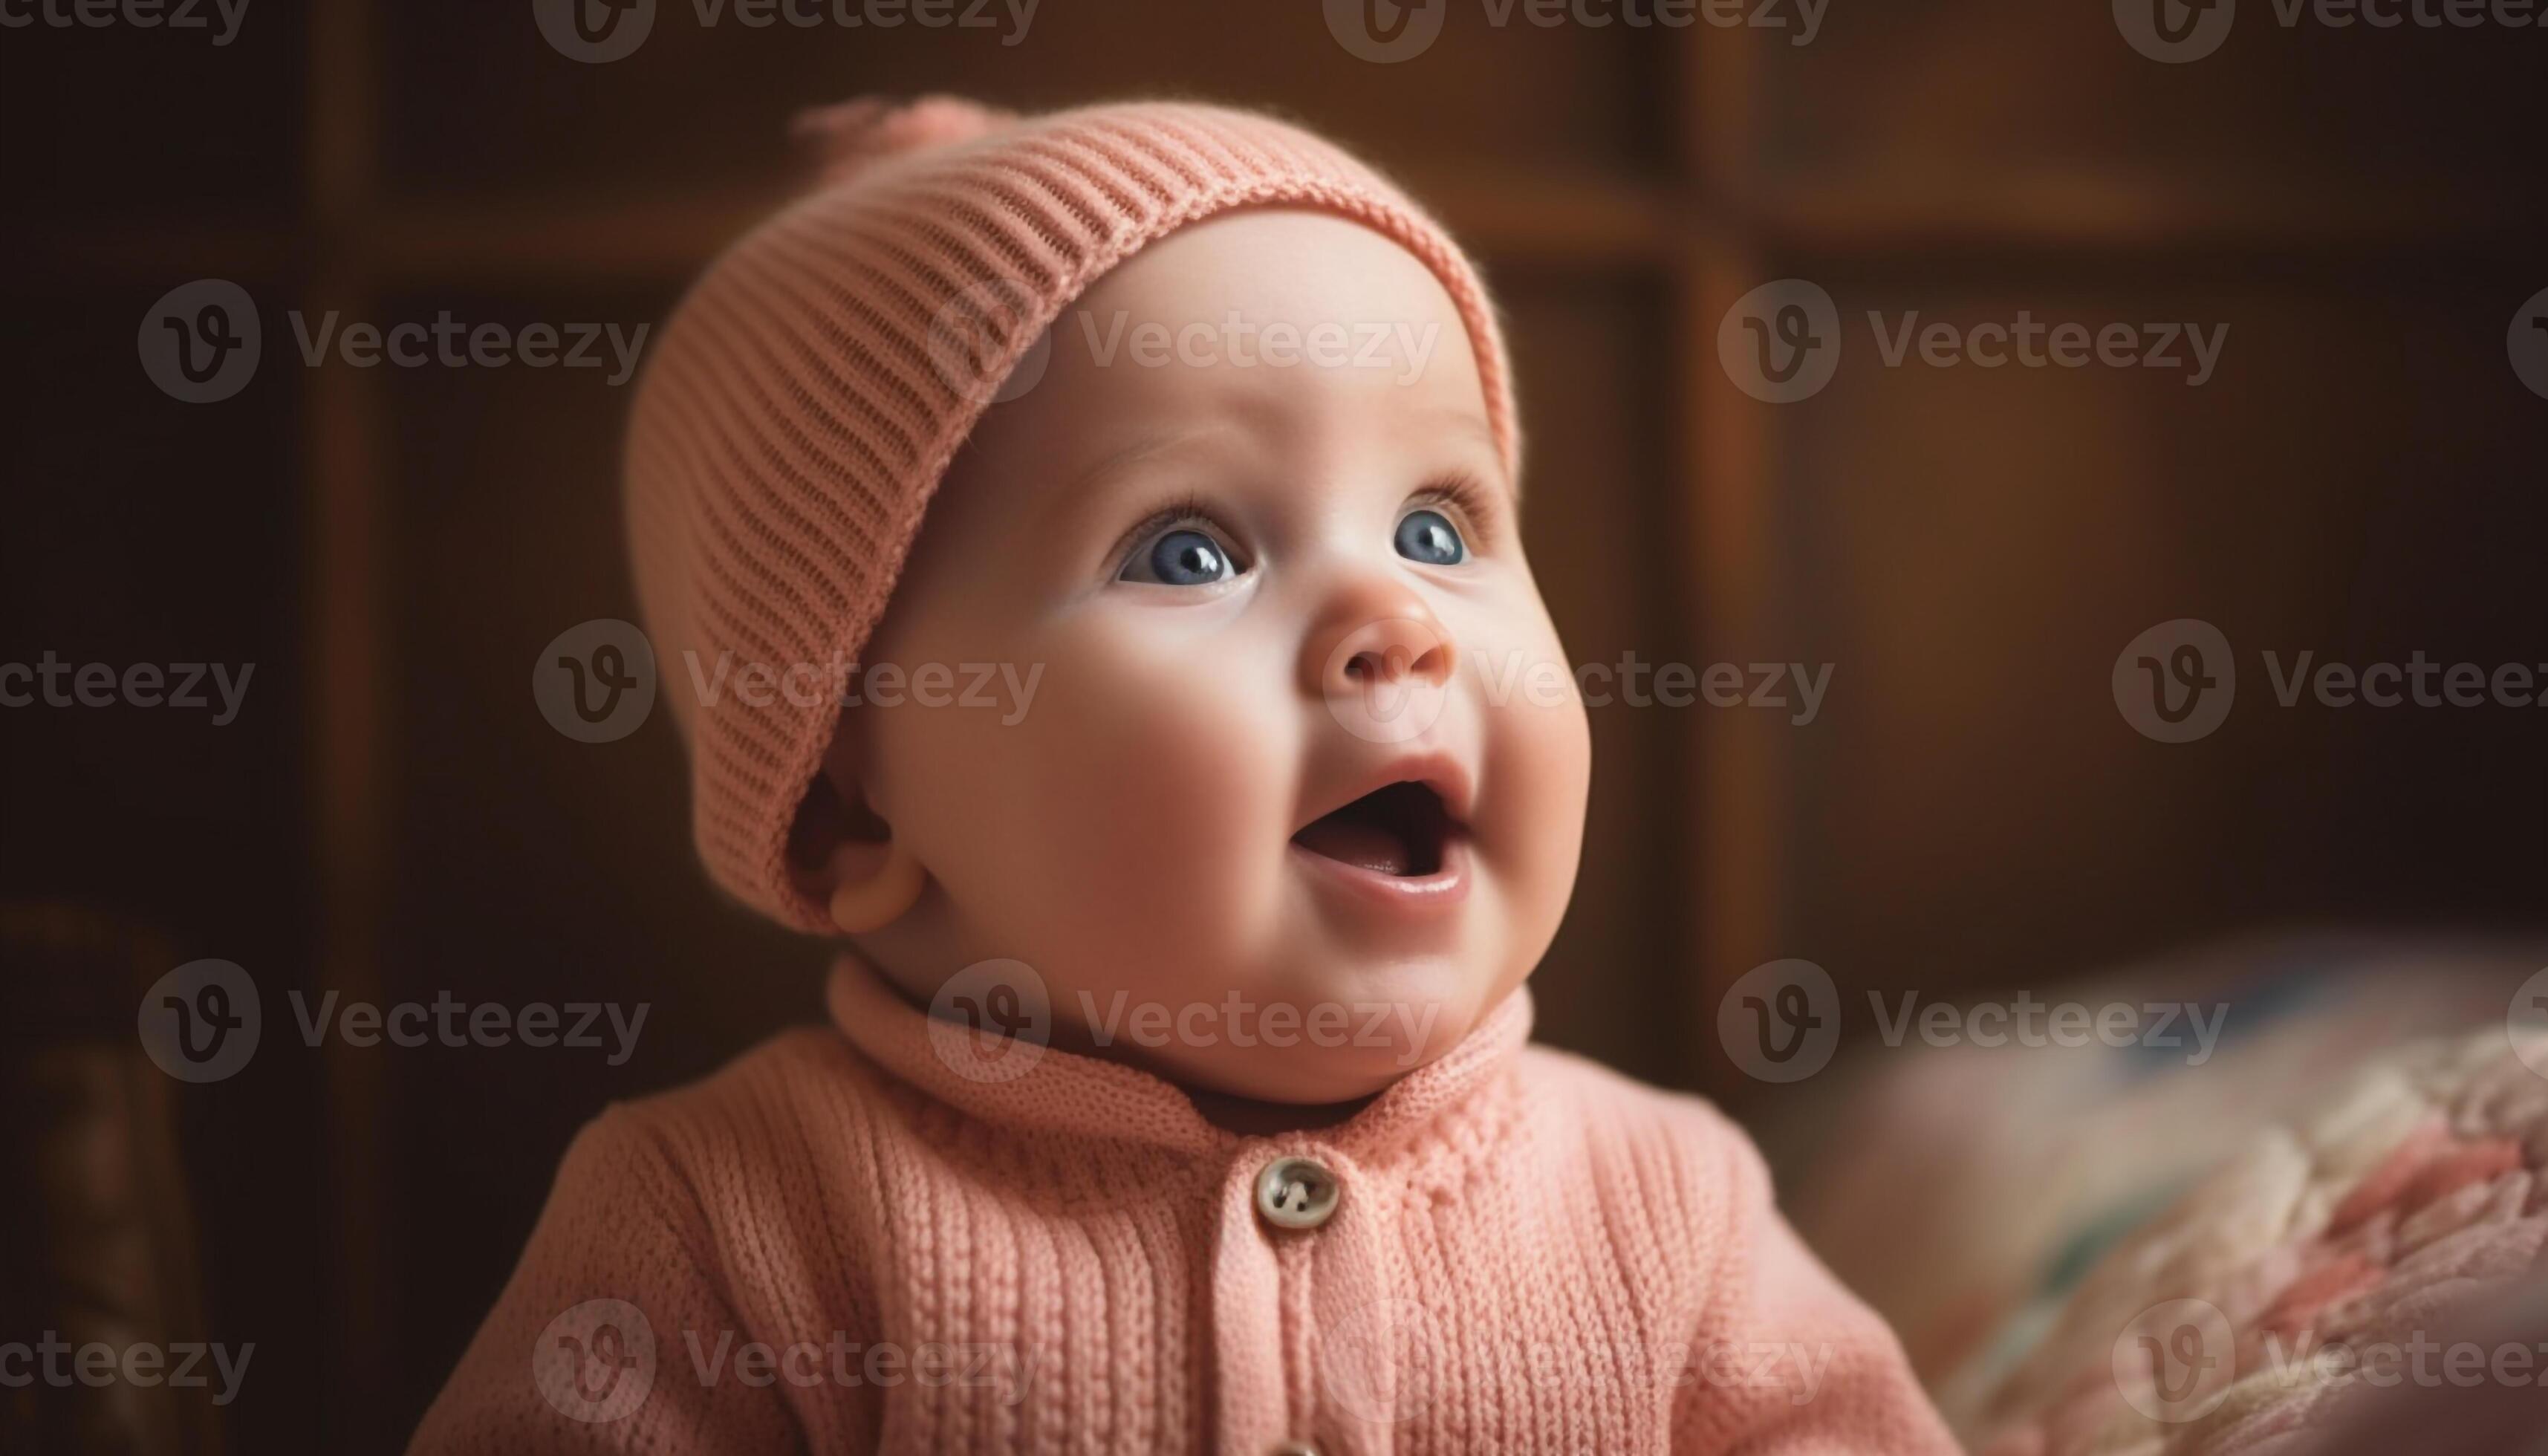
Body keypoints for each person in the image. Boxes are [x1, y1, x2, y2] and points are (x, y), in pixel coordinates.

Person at [409, 94, 1957, 1455]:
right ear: (848, 801)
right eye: (1190, 548)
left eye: (1436, 524)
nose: (1390, 621)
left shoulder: (1659, 1205)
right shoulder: (733, 1221)